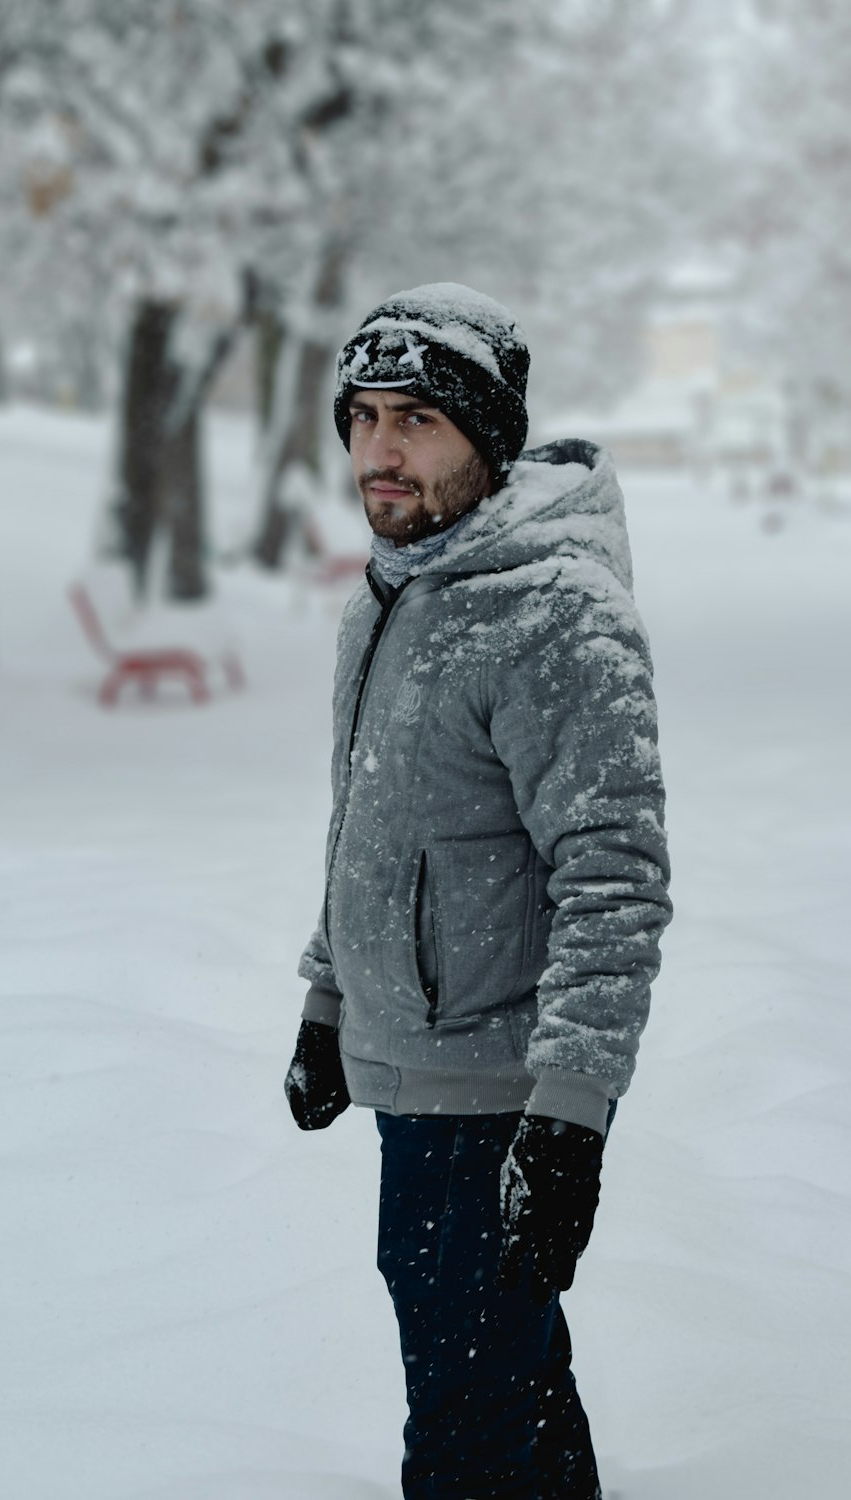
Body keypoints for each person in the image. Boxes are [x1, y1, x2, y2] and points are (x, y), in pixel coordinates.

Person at [285, 283, 672, 1500]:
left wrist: (568, 1115)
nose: (380, 451)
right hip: (415, 1070)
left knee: (463, 1428)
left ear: (486, 440)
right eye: (363, 416)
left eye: (419, 421)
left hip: (494, 1091)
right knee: (504, 1387)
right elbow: (373, 827)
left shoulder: (558, 616)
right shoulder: (393, 592)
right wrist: (327, 999)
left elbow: (614, 879)